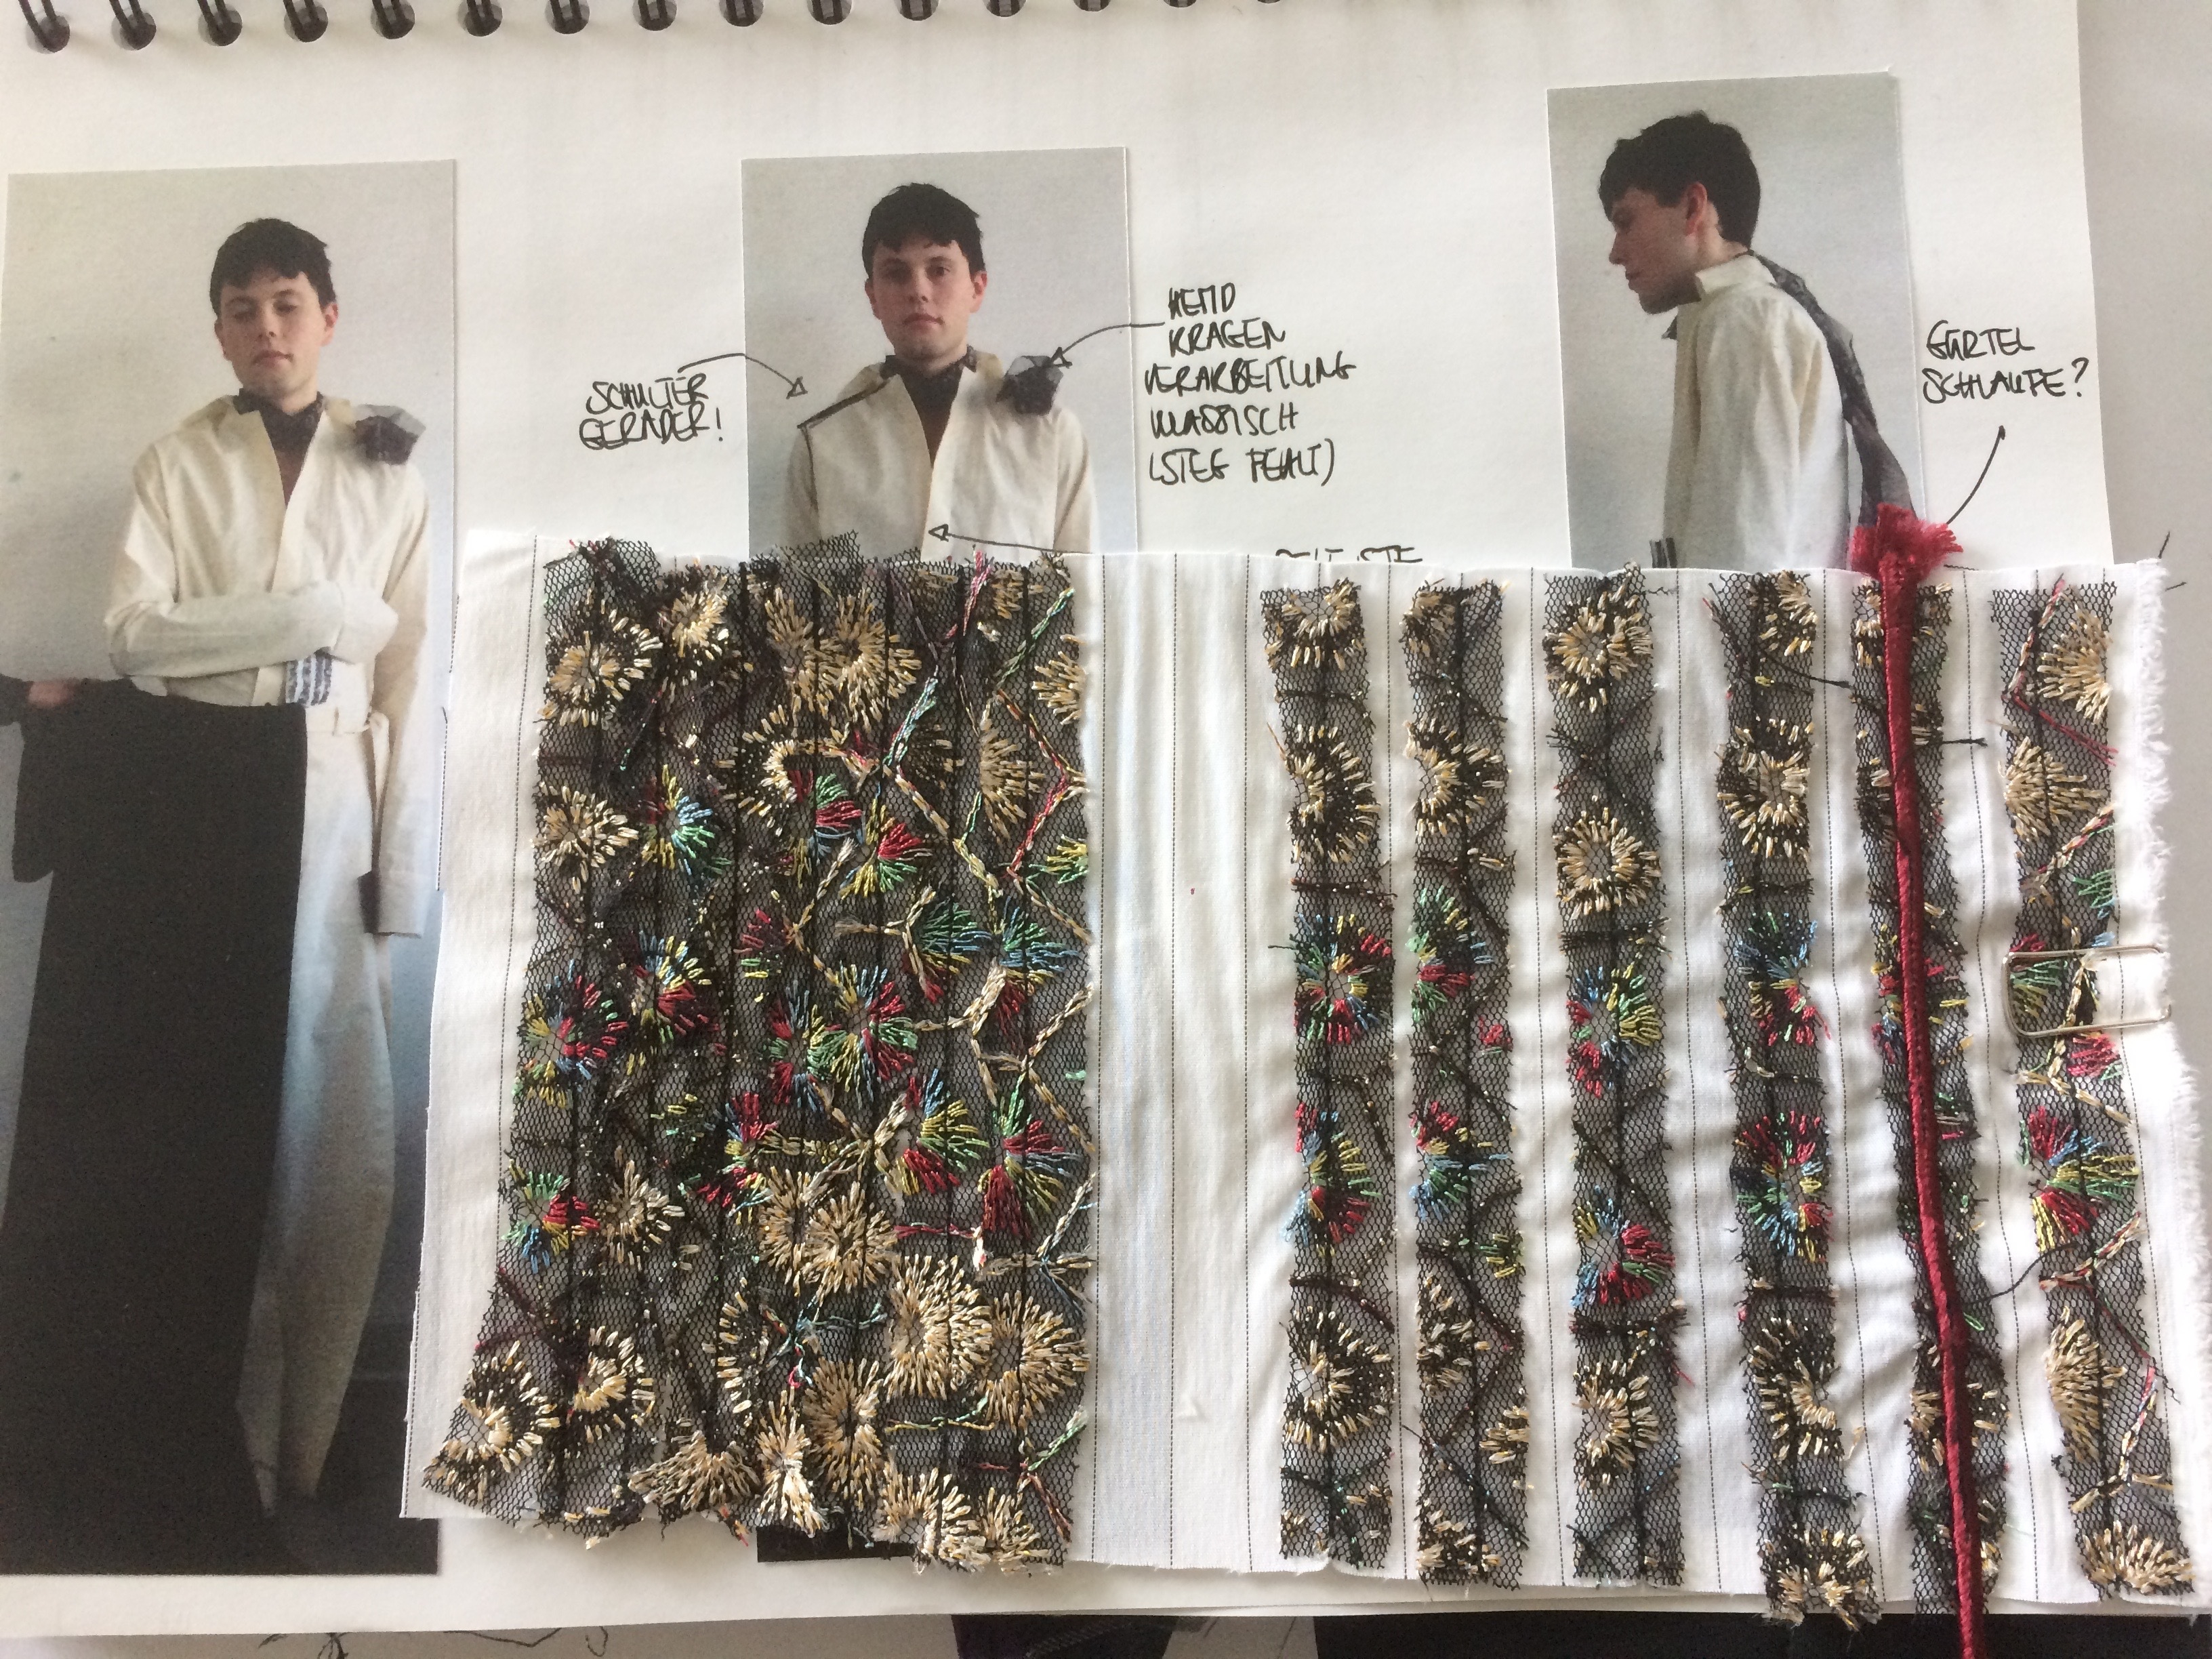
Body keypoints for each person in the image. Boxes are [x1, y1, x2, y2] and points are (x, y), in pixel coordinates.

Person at [102, 219, 433, 1529]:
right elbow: (134, 639)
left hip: (339, 810)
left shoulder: (388, 471)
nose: (266, 329)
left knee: (340, 1148)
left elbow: (407, 678)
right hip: (206, 806)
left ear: (327, 315)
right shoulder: (177, 461)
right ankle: (215, 1449)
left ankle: (309, 1440)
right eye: (241, 309)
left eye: (287, 303)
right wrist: (320, 615)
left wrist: (400, 879)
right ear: (220, 330)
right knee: (220, 1120)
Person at [1598, 112, 1908, 571]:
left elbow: (1742, 552)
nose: (1615, 253)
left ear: (1692, 208)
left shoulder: (1743, 317)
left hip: (1746, 617)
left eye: (1626, 222)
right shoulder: (1737, 313)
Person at [783, 182, 1096, 558]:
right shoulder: (820, 446)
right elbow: (798, 592)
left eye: (939, 270)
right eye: (896, 273)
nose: (918, 290)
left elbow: (1084, 587)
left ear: (977, 288)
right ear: (873, 297)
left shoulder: (1052, 435)